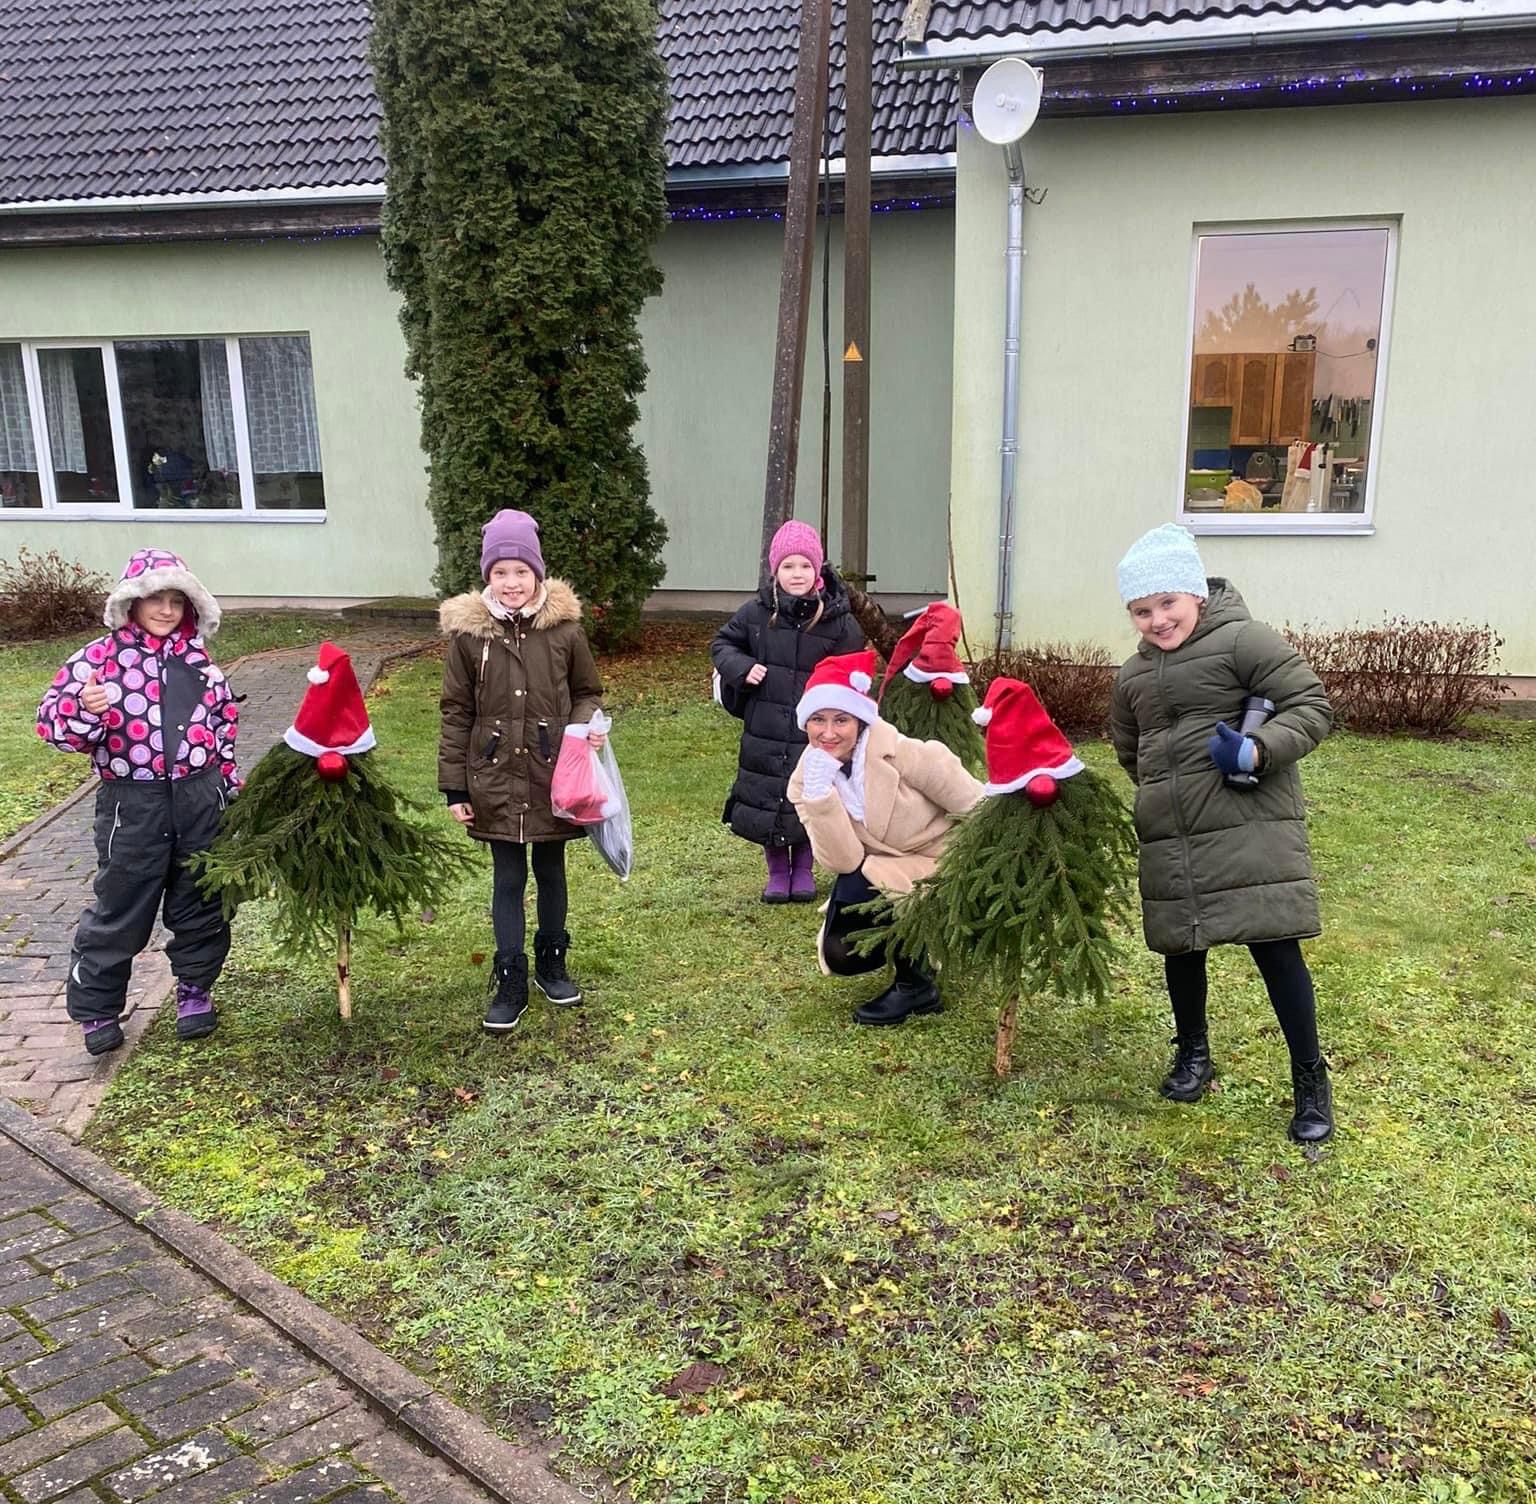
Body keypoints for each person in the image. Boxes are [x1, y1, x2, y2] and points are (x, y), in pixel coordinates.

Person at [1108, 523, 1335, 1143]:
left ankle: (1310, 1081)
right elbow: (1130, 749)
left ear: (1195, 594)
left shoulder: (1244, 640)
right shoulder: (1132, 675)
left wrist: (1258, 750)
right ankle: (1193, 1055)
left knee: (1276, 950)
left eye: (1167, 603)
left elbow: (1312, 706)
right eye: (1141, 611)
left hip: (1248, 828)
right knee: (1181, 950)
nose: (1158, 620)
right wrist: (1162, 795)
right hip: (1173, 837)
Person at [36, 549, 240, 1056]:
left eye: (177, 601)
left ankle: (194, 990)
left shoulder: (199, 662)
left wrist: (226, 787)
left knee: (200, 897)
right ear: (132, 602)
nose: (166, 610)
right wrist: (85, 710)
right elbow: (54, 728)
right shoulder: (98, 659)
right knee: (121, 904)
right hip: (133, 804)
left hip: (199, 797)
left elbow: (223, 728)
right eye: (155, 599)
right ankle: (99, 1008)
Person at [439, 509, 604, 1033]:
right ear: (487, 575)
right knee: (508, 876)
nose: (511, 583)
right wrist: (455, 788)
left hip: (552, 774)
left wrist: (583, 727)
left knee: (551, 870)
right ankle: (511, 976)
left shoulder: (564, 631)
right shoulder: (469, 637)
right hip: (493, 777)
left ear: (537, 572)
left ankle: (553, 962)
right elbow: (456, 711)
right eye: (500, 572)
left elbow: (587, 692)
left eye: (521, 571)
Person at [788, 650, 982, 1025]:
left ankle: (916, 986)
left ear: (860, 720)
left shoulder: (907, 754)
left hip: (943, 858)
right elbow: (843, 861)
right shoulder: (805, 781)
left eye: (841, 719)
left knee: (890, 885)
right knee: (842, 953)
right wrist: (821, 796)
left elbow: (975, 806)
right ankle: (910, 949)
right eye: (817, 719)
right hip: (881, 865)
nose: (828, 733)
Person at [711, 520, 864, 904]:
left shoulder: (838, 620)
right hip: (766, 725)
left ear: (818, 569)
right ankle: (778, 871)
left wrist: (840, 707)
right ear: (774, 570)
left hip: (816, 731)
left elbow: (854, 668)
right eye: (788, 566)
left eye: (805, 565)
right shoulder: (756, 613)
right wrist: (742, 668)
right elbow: (723, 644)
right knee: (770, 794)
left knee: (813, 794)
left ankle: (805, 868)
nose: (797, 573)